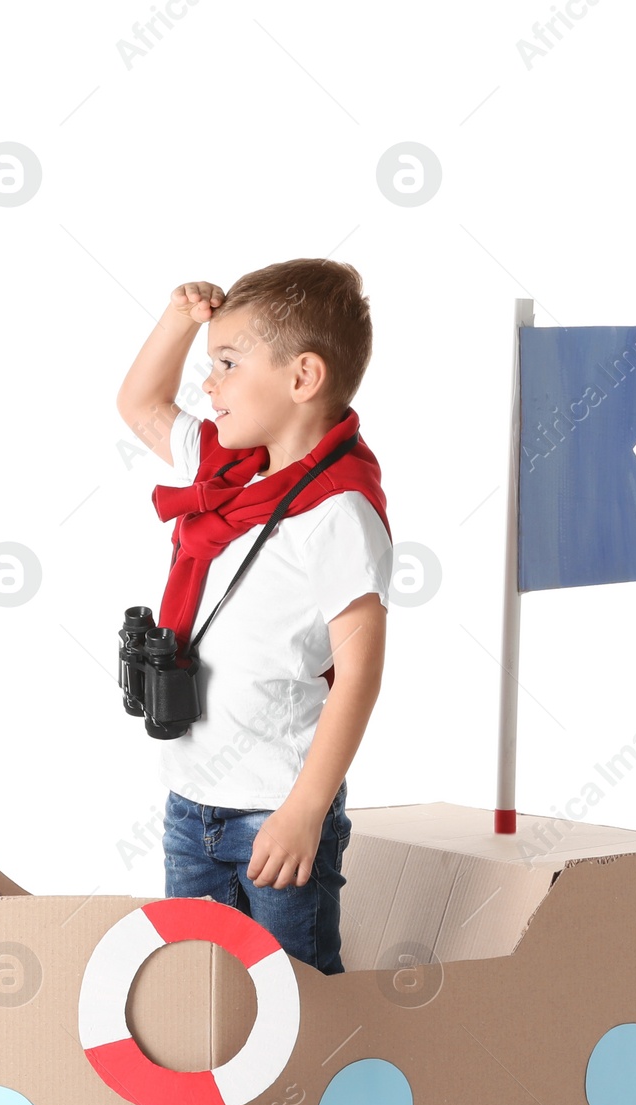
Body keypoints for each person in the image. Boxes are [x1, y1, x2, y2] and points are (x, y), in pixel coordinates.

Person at [115, 257, 392, 976]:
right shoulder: (225, 470)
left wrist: (306, 810)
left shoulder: (338, 512)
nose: (208, 385)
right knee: (199, 989)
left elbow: (359, 674)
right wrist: (180, 320)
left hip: (278, 807)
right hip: (191, 801)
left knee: (294, 997)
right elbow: (141, 406)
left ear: (302, 379)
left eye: (229, 363)